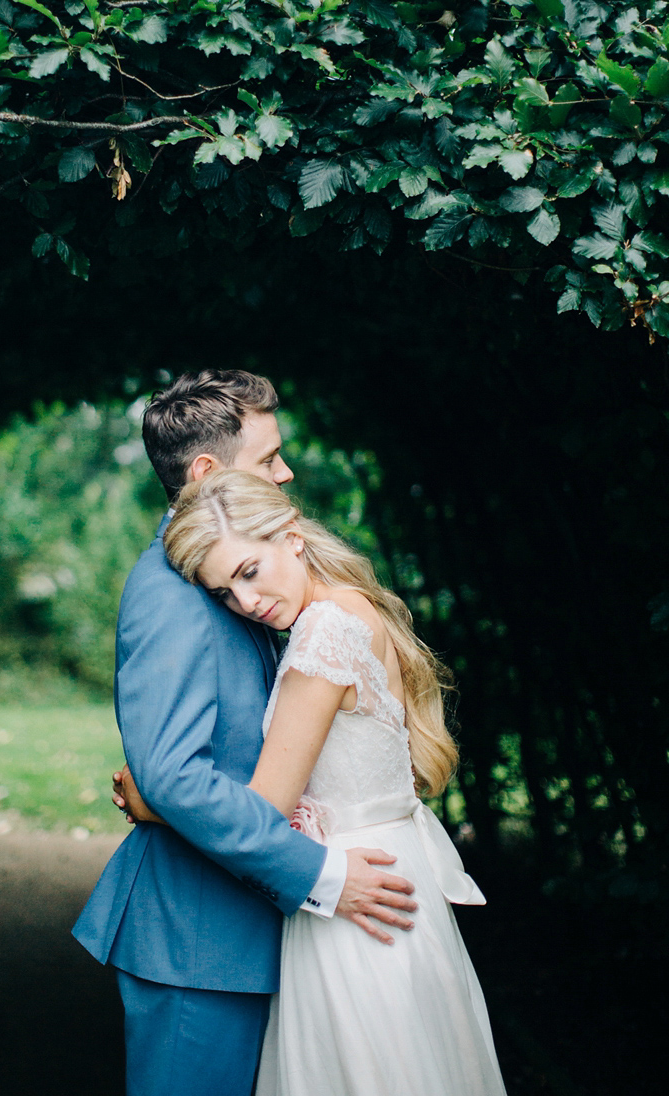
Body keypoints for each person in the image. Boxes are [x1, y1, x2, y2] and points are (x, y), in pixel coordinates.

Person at [72, 371, 418, 1096]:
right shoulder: (170, 593)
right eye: (268, 459)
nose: (286, 472)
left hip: (260, 934)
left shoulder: (249, 580)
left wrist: (158, 801)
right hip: (199, 944)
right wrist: (320, 877)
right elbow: (173, 772)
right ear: (206, 472)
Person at [153, 468, 507, 1096]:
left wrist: (159, 801)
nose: (247, 602)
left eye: (248, 571)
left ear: (290, 535)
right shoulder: (354, 607)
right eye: (226, 593)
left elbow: (264, 809)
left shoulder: (325, 631)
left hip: (357, 895)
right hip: (395, 873)